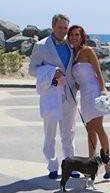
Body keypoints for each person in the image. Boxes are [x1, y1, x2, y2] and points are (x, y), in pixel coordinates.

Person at [28, 14, 78, 179]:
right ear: (53, 27)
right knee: (50, 133)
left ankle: (71, 164)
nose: (63, 31)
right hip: (51, 95)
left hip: (69, 96)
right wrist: (51, 72)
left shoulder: (72, 45)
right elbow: (32, 70)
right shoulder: (41, 46)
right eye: (60, 27)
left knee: (69, 133)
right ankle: (52, 166)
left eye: (65, 27)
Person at [67, 24, 110, 179]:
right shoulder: (72, 54)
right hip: (84, 96)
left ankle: (108, 163)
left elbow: (98, 72)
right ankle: (91, 165)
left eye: (77, 35)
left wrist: (103, 90)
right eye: (71, 35)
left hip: (95, 92)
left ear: (82, 37)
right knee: (89, 129)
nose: (74, 37)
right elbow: (78, 79)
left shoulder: (88, 51)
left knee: (98, 127)